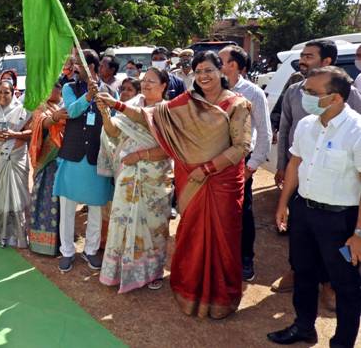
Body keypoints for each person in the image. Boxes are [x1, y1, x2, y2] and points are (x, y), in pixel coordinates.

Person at [101, 51, 251, 318]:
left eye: (208, 70)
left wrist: (207, 168)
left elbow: (242, 147)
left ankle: (219, 299)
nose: (203, 76)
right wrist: (117, 105)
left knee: (223, 240)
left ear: (221, 71)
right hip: (190, 179)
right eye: (198, 71)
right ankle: (190, 292)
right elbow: (150, 116)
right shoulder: (186, 102)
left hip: (221, 183)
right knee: (191, 235)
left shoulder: (237, 104)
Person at [268, 66, 361, 348]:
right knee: (304, 273)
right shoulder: (308, 124)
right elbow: (296, 163)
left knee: (345, 285)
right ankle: (304, 327)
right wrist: (283, 204)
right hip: (305, 213)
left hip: (340, 221)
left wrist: (358, 234)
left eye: (311, 92)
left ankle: (342, 343)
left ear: (335, 98)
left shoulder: (356, 130)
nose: (304, 95)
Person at [96, 68, 173, 293]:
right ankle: (121, 270)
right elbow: (112, 132)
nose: (147, 84)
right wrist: (104, 113)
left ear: (164, 85)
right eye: (144, 80)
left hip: (155, 177)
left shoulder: (168, 110)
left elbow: (169, 149)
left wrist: (139, 156)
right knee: (122, 220)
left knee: (154, 225)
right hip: (128, 174)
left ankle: (152, 271)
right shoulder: (134, 105)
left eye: (152, 81)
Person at [53, 49, 115, 273]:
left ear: (94, 67)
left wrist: (102, 103)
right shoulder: (70, 88)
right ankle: (67, 252)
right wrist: (88, 97)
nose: (77, 68)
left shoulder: (109, 92)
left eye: (81, 64)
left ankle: (90, 251)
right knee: (67, 206)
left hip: (97, 158)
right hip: (73, 155)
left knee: (96, 206)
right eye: (75, 64)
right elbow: (72, 111)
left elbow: (114, 124)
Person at [219, 45, 272, 282]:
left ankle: (245, 259)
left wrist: (251, 167)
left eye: (220, 60)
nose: (214, 64)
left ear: (233, 65)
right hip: (212, 161)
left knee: (241, 212)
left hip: (241, 163)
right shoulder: (209, 89)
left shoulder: (252, 93)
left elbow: (264, 132)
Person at [0, 80, 32, 248]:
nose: (2, 95)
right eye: (0, 92)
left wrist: (14, 134)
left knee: (19, 195)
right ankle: (0, 232)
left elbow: (31, 133)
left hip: (17, 156)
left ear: (13, 93)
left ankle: (19, 235)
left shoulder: (23, 111)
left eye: (6, 92)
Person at [28, 82, 68, 255]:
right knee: (46, 200)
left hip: (62, 161)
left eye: (59, 89)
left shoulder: (59, 106)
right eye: (56, 89)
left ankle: (62, 240)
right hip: (47, 164)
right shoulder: (41, 107)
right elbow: (41, 123)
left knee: (63, 203)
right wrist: (55, 118)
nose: (59, 92)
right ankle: (43, 244)